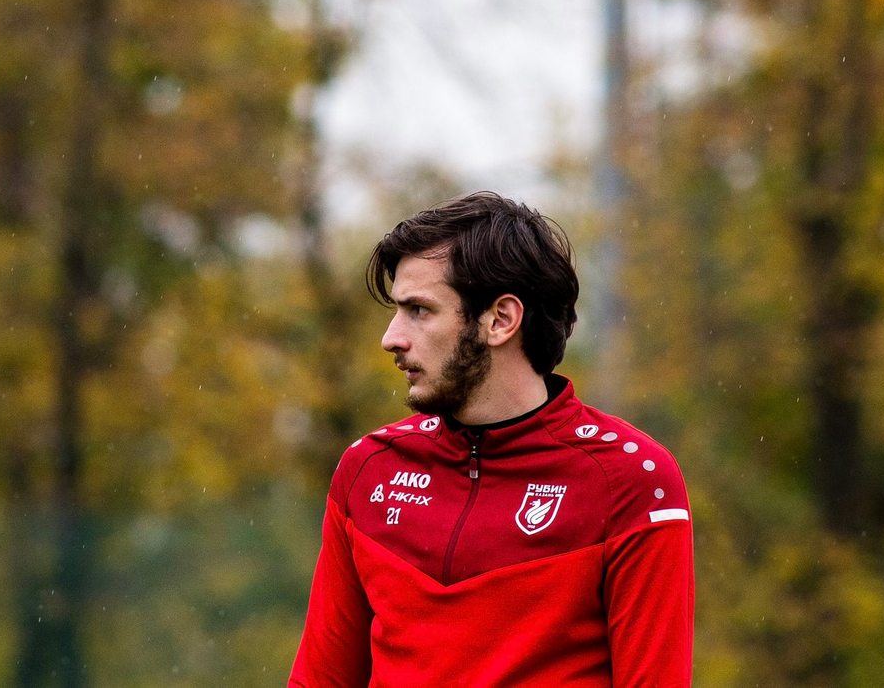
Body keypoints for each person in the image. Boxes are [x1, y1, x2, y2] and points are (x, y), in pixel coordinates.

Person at [289, 192, 694, 686]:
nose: (391, 338)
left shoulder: (629, 478)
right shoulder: (369, 469)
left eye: (419, 310)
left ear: (500, 320)